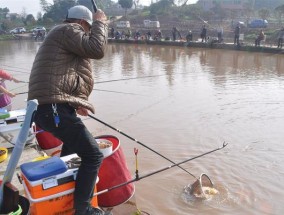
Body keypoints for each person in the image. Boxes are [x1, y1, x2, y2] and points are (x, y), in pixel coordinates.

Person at [28, 5, 108, 215]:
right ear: (82, 22)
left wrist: (76, 102)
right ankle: (83, 210)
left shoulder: (60, 34)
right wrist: (101, 22)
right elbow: (96, 49)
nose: (89, 31)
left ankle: (63, 199)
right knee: (93, 156)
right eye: (89, 27)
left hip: (51, 108)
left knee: (71, 152)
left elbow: (63, 76)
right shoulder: (69, 30)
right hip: (53, 108)